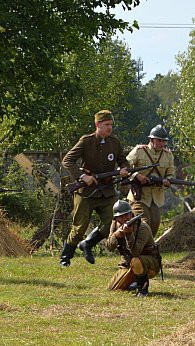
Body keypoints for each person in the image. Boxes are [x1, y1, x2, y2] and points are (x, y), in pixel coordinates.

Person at [60, 110, 129, 266]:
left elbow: (123, 161)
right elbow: (67, 161)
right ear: (98, 125)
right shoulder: (86, 141)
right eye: (106, 125)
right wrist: (83, 176)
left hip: (107, 190)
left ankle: (88, 244)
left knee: (110, 225)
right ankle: (65, 259)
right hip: (86, 191)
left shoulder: (114, 142)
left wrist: (124, 169)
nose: (109, 128)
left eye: (111, 125)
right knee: (79, 228)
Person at [102, 200, 161, 297]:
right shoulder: (115, 225)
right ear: (116, 218)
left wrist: (128, 234)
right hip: (128, 264)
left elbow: (136, 252)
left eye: (127, 215)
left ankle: (143, 289)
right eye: (120, 216)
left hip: (149, 263)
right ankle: (134, 283)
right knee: (113, 288)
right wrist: (116, 235)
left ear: (131, 214)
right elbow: (109, 247)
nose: (124, 218)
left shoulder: (142, 227)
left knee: (136, 261)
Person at [125, 125, 175, 235]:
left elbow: (170, 174)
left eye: (164, 141)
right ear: (151, 140)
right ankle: (140, 247)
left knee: (155, 223)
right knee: (144, 223)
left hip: (156, 196)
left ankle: (145, 247)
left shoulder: (168, 155)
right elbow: (124, 168)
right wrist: (137, 175)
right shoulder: (139, 151)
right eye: (159, 140)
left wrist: (167, 181)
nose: (162, 143)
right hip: (139, 195)